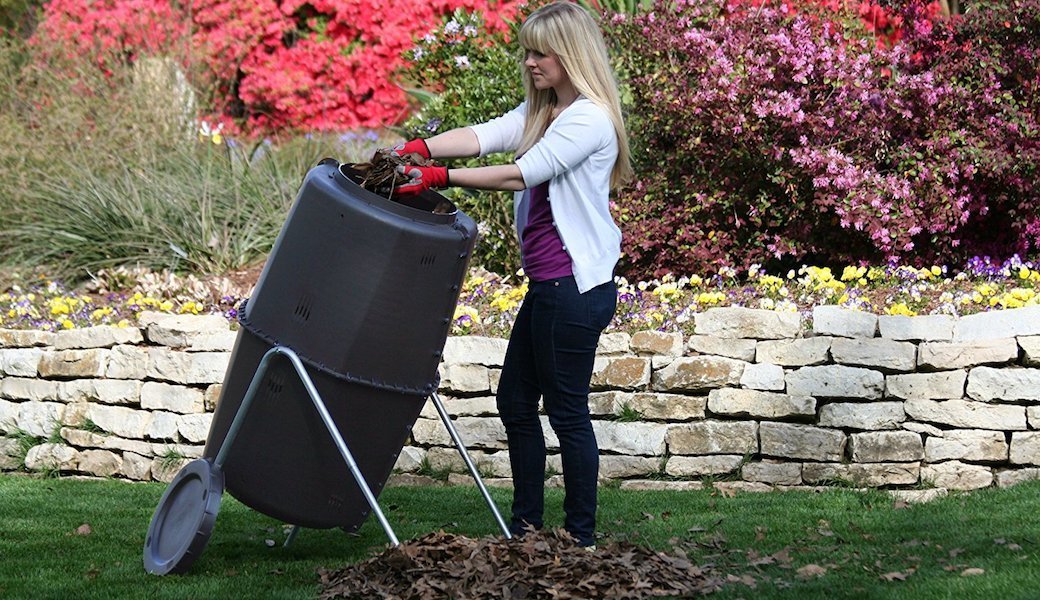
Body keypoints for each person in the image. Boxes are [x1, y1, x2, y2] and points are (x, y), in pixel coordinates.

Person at [390, 0, 632, 549]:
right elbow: (484, 135)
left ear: (570, 54)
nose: (529, 62)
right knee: (516, 402)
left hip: (573, 289)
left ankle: (579, 537)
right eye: (526, 51)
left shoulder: (589, 118)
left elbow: (524, 174)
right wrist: (419, 147)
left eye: (540, 52)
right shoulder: (547, 112)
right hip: (552, 288)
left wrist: (440, 176)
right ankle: (527, 528)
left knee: (566, 411)